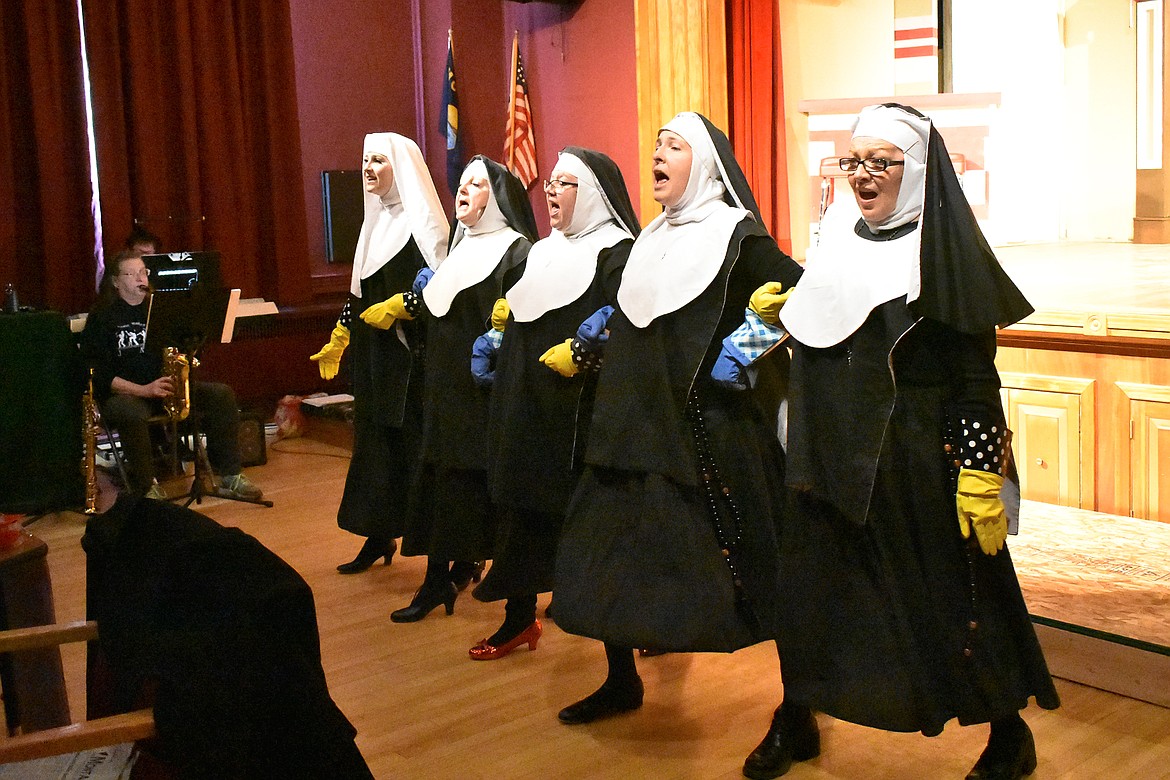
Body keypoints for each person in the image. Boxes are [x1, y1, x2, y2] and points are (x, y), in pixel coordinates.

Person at [766, 103, 1059, 780]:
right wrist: (763, 327)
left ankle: (1008, 735)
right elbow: (817, 330)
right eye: (852, 161)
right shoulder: (836, 237)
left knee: (953, 605)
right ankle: (795, 717)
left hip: (912, 464)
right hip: (823, 456)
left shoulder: (943, 253)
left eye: (881, 162)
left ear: (918, 170)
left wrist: (984, 474)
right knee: (807, 600)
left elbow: (973, 377)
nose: (862, 176)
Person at [549, 113, 803, 754]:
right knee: (612, 559)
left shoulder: (738, 238)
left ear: (709, 166)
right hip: (629, 429)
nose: (657, 153)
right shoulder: (647, 239)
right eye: (656, 143)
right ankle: (620, 680)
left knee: (760, 575)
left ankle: (798, 710)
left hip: (709, 440)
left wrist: (751, 340)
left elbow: (797, 296)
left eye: (674, 145)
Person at [467, 147, 640, 660]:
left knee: (586, 528)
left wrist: (588, 350)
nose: (551, 191)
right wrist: (498, 342)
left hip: (575, 416)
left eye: (565, 184)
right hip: (523, 405)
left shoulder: (617, 252)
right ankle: (519, 619)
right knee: (518, 515)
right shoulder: (542, 250)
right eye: (552, 184)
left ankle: (618, 654)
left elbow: (629, 323)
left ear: (593, 195)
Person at [391, 156, 538, 623]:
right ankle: (437, 581)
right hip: (444, 394)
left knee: (491, 494)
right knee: (442, 485)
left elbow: (518, 325)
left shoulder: (515, 252)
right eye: (463, 182)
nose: (464, 190)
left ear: (496, 198)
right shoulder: (458, 250)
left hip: (485, 397)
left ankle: (517, 605)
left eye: (477, 184)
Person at [310, 133, 448, 574]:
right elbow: (358, 293)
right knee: (373, 449)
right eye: (365, 160)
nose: (368, 169)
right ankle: (378, 535)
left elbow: (441, 294)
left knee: (411, 452)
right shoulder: (372, 223)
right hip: (373, 359)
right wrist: (340, 332)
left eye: (378, 161)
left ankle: (443, 558)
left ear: (400, 168)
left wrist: (402, 310)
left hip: (411, 360)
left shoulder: (426, 226)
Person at [80, 250, 262, 501]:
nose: (140, 279)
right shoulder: (102, 317)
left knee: (221, 394)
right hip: (130, 393)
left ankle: (230, 474)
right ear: (115, 281)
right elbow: (99, 374)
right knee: (129, 411)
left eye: (143, 272)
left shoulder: (161, 309)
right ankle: (147, 486)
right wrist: (144, 390)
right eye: (131, 274)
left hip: (166, 386)